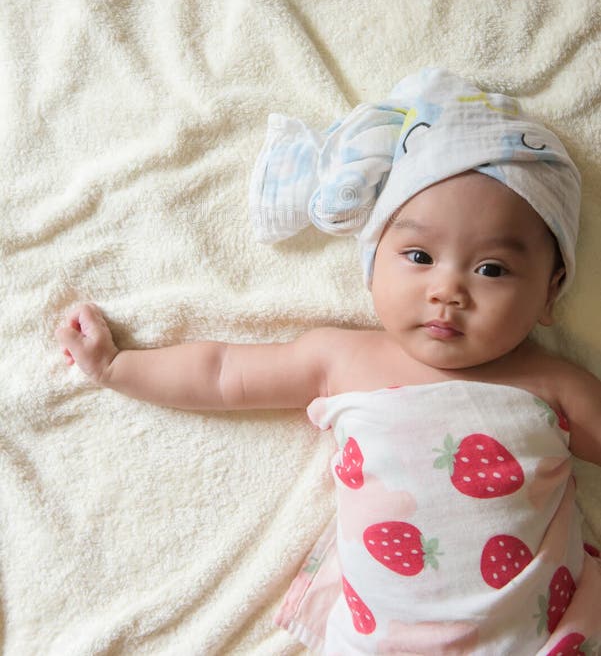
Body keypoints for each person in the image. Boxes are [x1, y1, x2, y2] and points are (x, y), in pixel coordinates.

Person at [56, 68, 601, 654]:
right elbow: (220, 373)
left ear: (550, 292)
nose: (448, 290)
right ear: (372, 261)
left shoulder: (553, 384)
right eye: (419, 255)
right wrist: (116, 367)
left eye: (491, 269)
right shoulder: (343, 358)